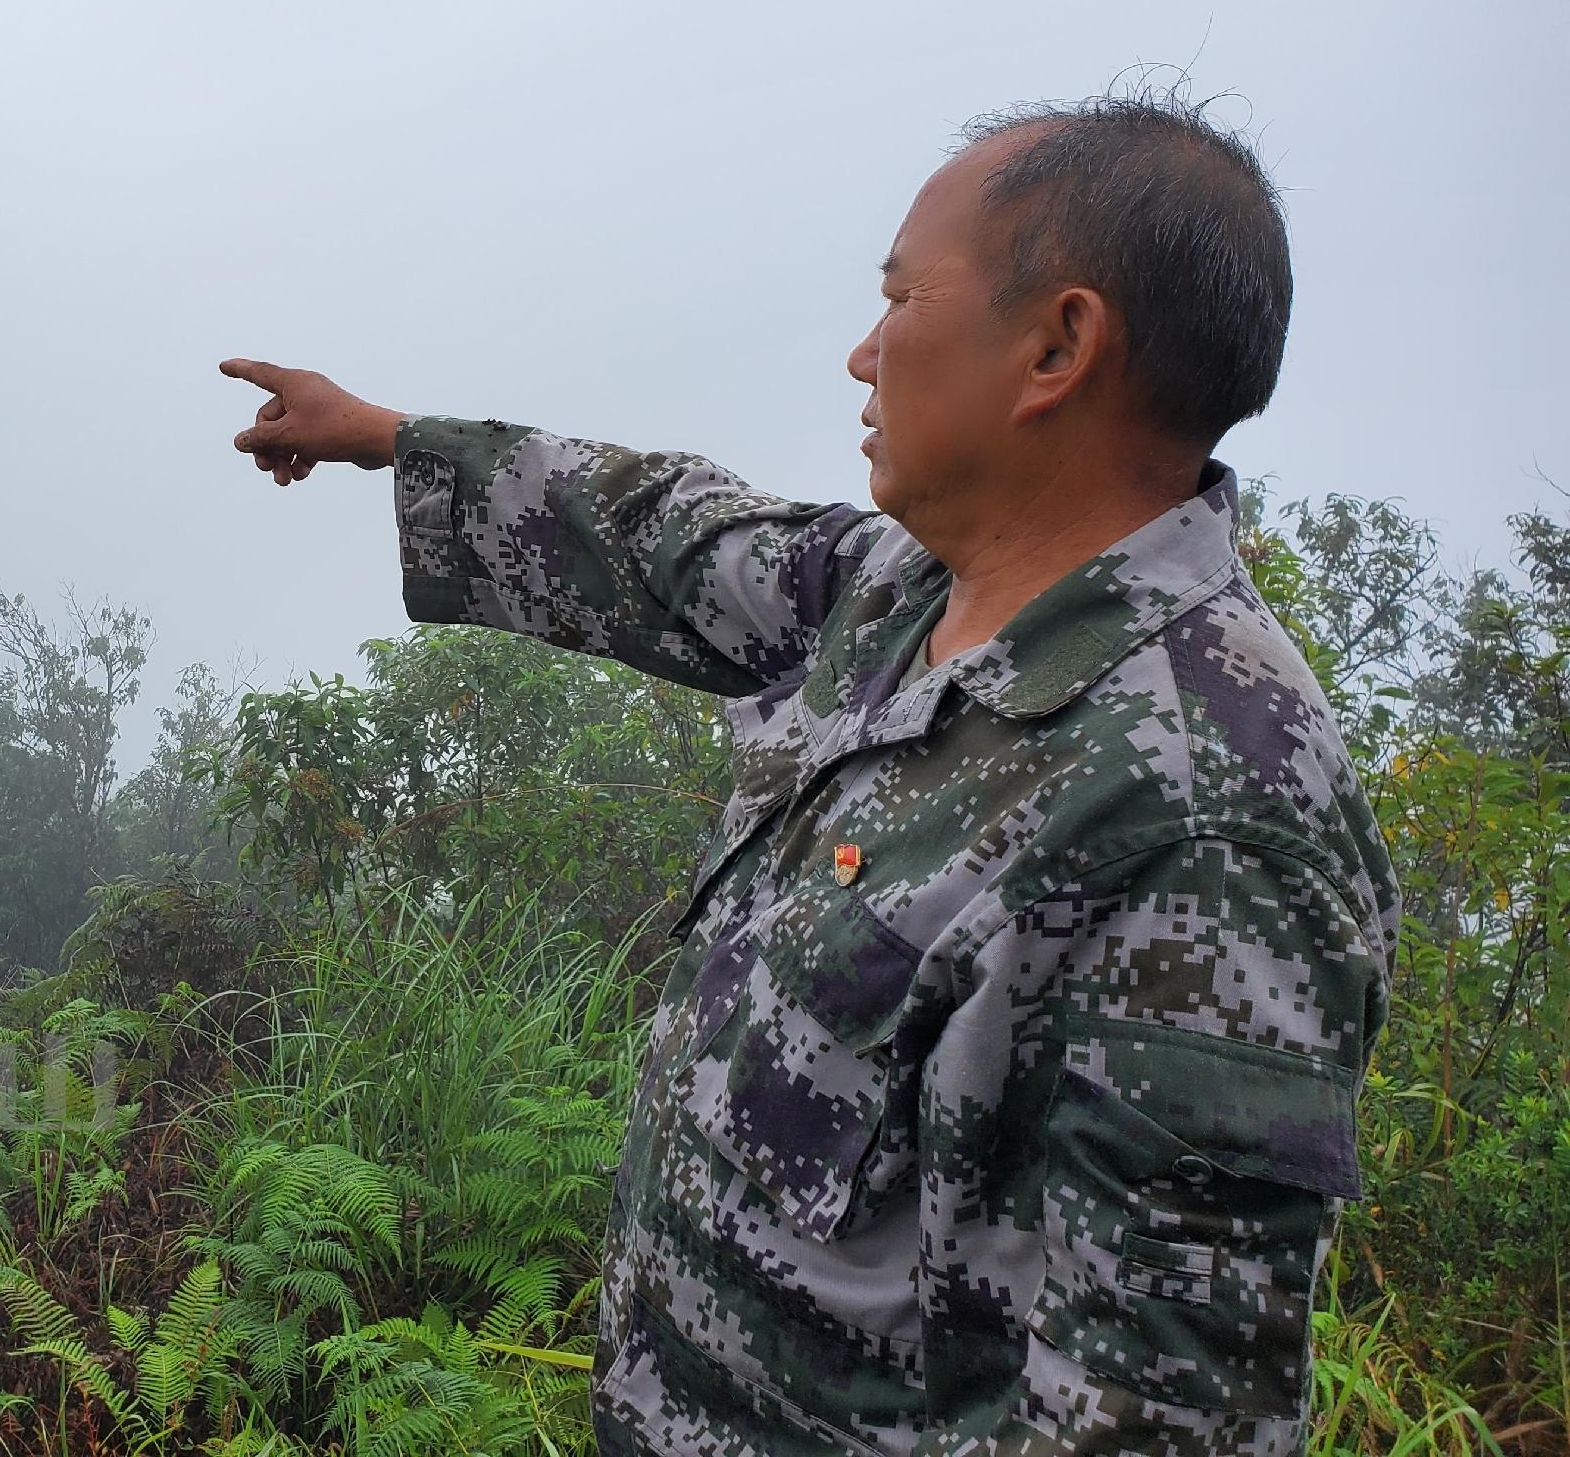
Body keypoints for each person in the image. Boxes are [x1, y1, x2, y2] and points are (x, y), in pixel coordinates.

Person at [218, 93, 1398, 1456]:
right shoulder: (900, 597)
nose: (863, 350)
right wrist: (392, 436)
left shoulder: (1207, 805)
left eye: (902, 296)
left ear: (1060, 344)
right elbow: (668, 531)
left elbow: (1161, 1414)